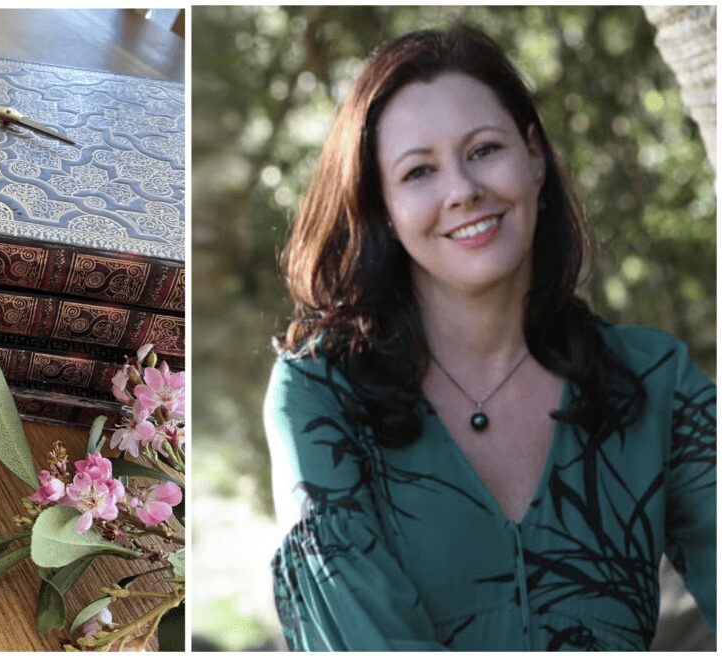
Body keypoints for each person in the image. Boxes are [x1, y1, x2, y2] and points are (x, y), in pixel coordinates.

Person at [265, 26, 715, 651]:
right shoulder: (320, 393)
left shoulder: (653, 378)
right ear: (384, 211)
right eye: (419, 171)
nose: (462, 190)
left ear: (534, 157)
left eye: (483, 150)